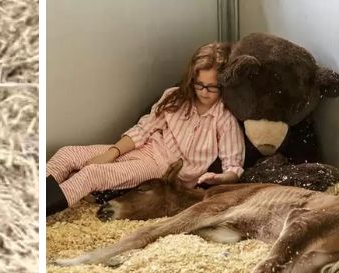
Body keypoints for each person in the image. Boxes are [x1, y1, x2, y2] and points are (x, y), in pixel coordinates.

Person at [46, 43, 245, 216]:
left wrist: (219, 178)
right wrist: (111, 153)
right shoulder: (175, 97)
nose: (203, 92)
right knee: (68, 153)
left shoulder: (225, 120)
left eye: (211, 87)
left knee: (92, 174)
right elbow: (144, 129)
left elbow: (233, 167)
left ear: (223, 85)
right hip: (145, 148)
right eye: (199, 84)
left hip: (162, 168)